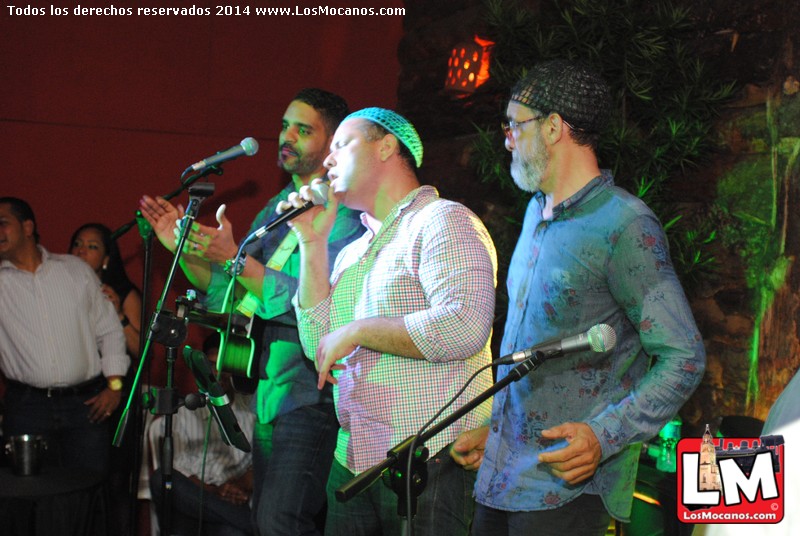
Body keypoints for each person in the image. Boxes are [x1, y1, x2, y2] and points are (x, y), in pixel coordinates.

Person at [450, 59, 706, 535]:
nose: (506, 137)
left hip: (563, 489)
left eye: (514, 124)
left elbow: (683, 358)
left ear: (552, 128)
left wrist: (602, 437)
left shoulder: (624, 224)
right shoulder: (534, 213)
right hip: (501, 475)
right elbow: (537, 354)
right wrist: (501, 431)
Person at [139, 88, 363, 535]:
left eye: (303, 129)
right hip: (266, 391)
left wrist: (232, 259)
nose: (287, 137)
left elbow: (318, 302)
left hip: (312, 393)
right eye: (284, 126)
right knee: (265, 515)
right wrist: (180, 249)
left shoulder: (347, 213)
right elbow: (229, 294)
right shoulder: (276, 207)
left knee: (280, 519)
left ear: (335, 139)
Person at [282, 107, 497, 536]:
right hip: (355, 462)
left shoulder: (442, 221)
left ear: (386, 146)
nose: (327, 160)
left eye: (341, 144)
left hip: (431, 457)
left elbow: (464, 325)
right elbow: (318, 345)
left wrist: (361, 330)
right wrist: (312, 242)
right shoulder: (350, 253)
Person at [0, 197, 129, 474]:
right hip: (27, 407)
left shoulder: (74, 270)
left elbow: (108, 330)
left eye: (3, 224)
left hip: (85, 405)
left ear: (27, 227)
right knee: (29, 496)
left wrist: (114, 387)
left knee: (88, 492)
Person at [150, 335, 255, 536]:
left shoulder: (251, 409)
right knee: (161, 479)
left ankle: (242, 522)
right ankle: (251, 525)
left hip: (232, 502)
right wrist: (216, 492)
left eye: (225, 365)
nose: (218, 373)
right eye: (213, 365)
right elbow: (178, 471)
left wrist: (237, 487)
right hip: (193, 501)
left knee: (232, 532)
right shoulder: (185, 411)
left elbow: (260, 464)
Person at [69, 223, 143, 357]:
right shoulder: (59, 288)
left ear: (105, 260)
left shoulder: (123, 294)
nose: (81, 251)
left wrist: (119, 315)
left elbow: (142, 352)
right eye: (77, 244)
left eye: (92, 246)